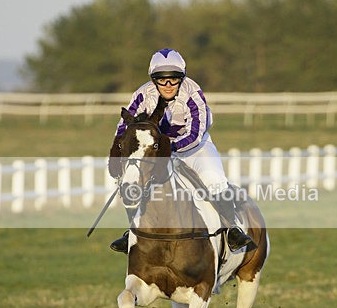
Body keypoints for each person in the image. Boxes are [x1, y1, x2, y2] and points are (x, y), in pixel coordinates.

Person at [109, 48, 255, 253]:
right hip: (157, 150)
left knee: (213, 179)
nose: (168, 85)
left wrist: (169, 148)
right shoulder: (142, 95)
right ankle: (133, 232)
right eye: (162, 79)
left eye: (174, 79)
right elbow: (125, 127)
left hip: (195, 148)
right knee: (133, 181)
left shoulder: (192, 92)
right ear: (153, 79)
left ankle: (232, 229)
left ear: (182, 78)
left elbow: (196, 132)